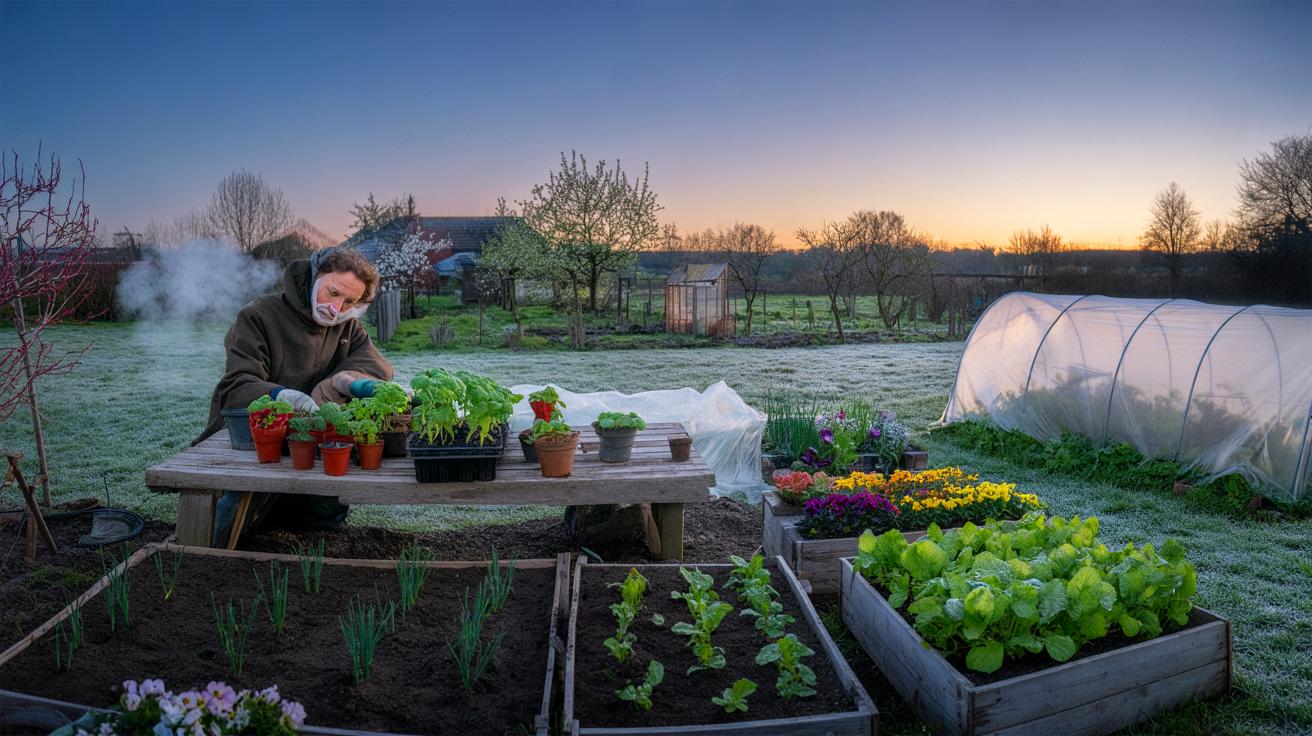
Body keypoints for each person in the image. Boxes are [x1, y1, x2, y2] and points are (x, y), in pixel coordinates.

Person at [195, 247, 395, 545]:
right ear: (314, 277)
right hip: (254, 436)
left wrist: (342, 382)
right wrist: (283, 396)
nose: (337, 308)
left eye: (350, 301)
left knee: (322, 516)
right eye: (333, 292)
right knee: (233, 520)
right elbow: (237, 385)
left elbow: (378, 366)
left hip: (310, 438)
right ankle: (209, 553)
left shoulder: (347, 326)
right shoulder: (258, 315)